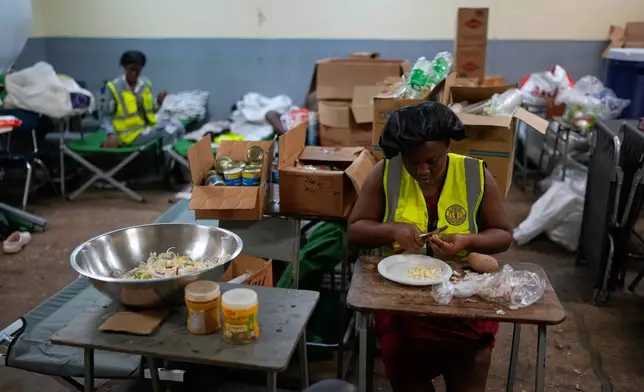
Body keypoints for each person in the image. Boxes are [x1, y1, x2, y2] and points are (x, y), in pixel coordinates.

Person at [347, 102, 513, 392]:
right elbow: (356, 230)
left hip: (461, 297)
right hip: (398, 299)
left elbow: (503, 235)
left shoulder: (474, 174)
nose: (423, 171)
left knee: (473, 359)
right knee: (403, 363)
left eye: (432, 161)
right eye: (414, 163)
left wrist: (468, 240)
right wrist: (392, 229)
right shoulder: (385, 173)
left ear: (448, 147)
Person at [101, 50, 168, 148]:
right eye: (131, 69)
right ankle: (167, 161)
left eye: (138, 70)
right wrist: (111, 135)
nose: (134, 73)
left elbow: (149, 111)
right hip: (126, 136)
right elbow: (105, 115)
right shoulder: (114, 88)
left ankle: (168, 160)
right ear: (124, 68)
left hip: (145, 130)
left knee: (176, 126)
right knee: (169, 129)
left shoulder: (145, 84)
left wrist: (158, 102)